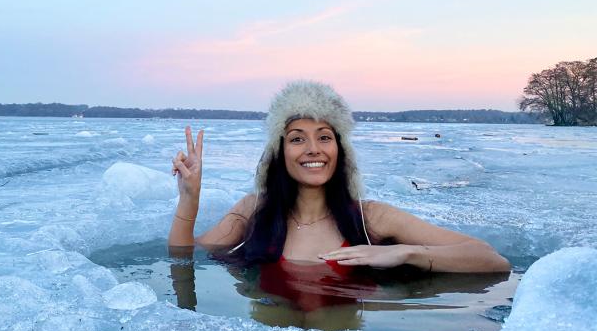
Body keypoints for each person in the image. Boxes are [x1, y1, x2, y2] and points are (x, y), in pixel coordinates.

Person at [168, 80, 510, 273]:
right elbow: (184, 256)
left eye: (325, 137)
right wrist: (189, 198)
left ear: (340, 149)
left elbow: (490, 260)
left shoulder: (370, 217)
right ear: (279, 152)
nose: (313, 149)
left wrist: (407, 253)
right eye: (297, 138)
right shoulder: (254, 210)